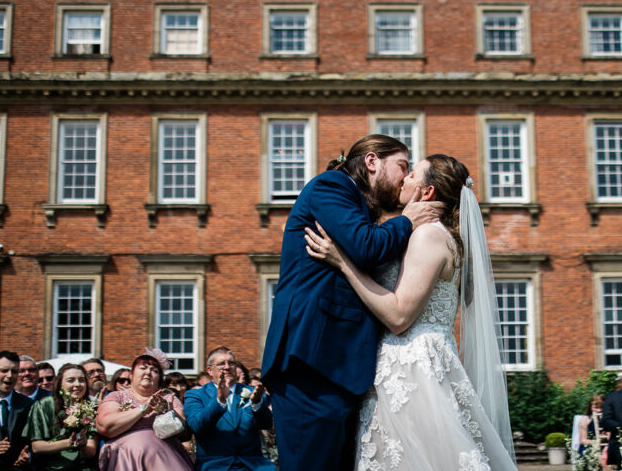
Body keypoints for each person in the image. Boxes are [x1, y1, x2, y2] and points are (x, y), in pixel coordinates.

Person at [304, 153, 517, 469]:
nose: (403, 179)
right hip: (419, 362)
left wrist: (342, 262)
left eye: (412, 174)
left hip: (412, 367)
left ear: (427, 192)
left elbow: (399, 316)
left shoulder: (429, 235)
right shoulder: (435, 234)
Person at [260, 134, 442, 471]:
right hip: (311, 362)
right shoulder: (332, 186)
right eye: (402, 166)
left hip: (340, 368)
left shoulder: (364, 207)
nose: (405, 176)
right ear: (372, 161)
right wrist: (408, 221)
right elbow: (365, 246)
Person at [95, 349, 192, 470]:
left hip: (164, 459)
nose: (148, 372)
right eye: (143, 368)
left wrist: (168, 412)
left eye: (154, 370)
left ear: (160, 378)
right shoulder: (116, 396)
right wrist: (142, 410)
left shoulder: (169, 398)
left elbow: (185, 434)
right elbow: (106, 427)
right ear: (131, 375)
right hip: (126, 457)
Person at [184, 346, 275, 470]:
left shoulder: (251, 392)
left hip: (253, 465)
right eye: (221, 364)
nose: (227, 367)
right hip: (215, 465)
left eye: (231, 363)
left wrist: (257, 404)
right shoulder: (195, 395)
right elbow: (197, 425)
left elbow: (266, 424)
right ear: (209, 370)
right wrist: (219, 401)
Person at [24, 363, 99, 471]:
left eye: (82, 380)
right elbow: (37, 447)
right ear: (60, 384)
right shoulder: (44, 405)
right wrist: (69, 443)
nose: (77, 384)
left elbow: (90, 452)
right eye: (71, 380)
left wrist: (82, 444)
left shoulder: (91, 409)